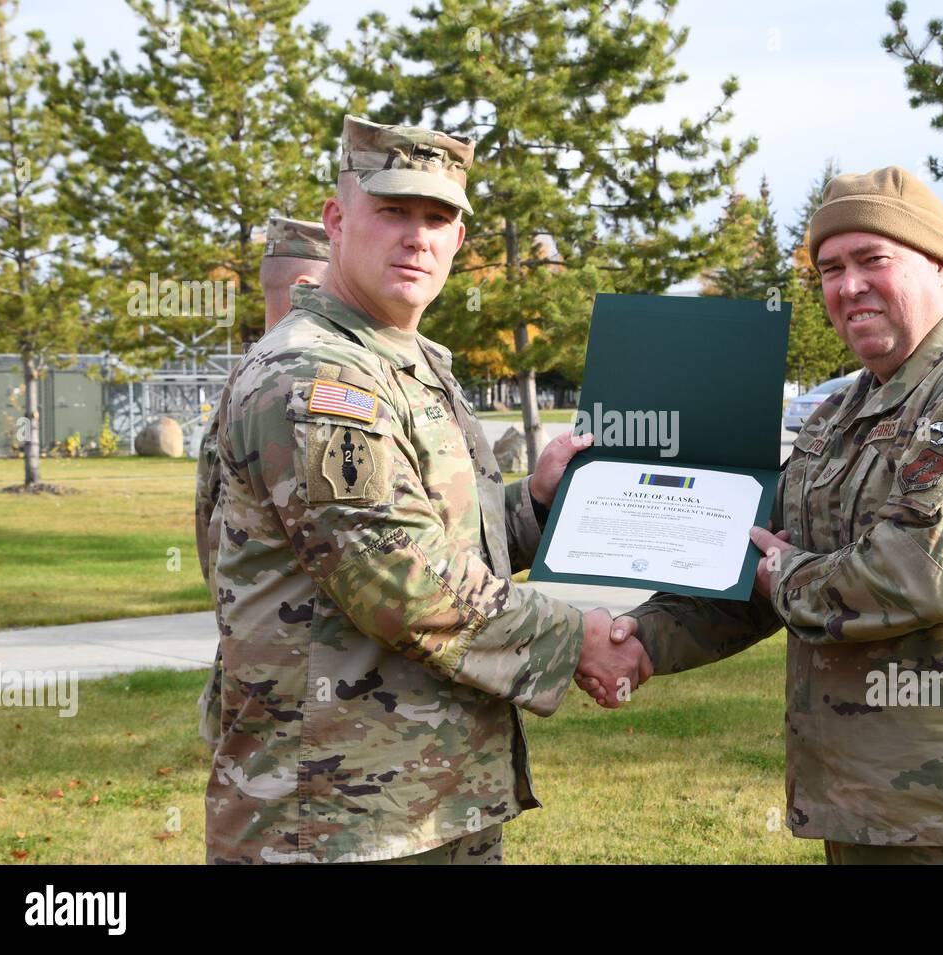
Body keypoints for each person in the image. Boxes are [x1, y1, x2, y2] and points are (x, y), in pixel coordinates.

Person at [590, 166, 943, 865]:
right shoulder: (839, 414)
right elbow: (767, 555)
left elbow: (921, 571)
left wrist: (784, 578)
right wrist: (643, 639)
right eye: (829, 268)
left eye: (872, 259)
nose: (848, 286)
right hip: (877, 812)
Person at [205, 115, 650, 864]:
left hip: (427, 802)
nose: (417, 236)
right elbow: (398, 577)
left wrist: (533, 506)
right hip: (331, 820)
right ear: (338, 222)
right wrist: (577, 640)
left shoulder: (404, 362)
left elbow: (437, 540)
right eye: (394, 211)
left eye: (438, 217)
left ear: (458, 242)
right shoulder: (316, 378)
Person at [195, 216, 330, 750]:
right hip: (300, 685)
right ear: (305, 290)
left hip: (257, 661)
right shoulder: (293, 383)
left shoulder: (246, 376)